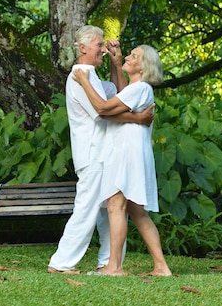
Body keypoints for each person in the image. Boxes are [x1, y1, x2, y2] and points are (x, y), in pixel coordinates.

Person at [47, 25, 153, 274]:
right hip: (92, 153)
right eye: (99, 45)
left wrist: (117, 64)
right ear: (83, 48)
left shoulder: (91, 75)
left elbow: (120, 93)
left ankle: (109, 263)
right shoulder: (80, 74)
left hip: (104, 153)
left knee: (111, 209)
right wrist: (137, 119)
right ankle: (62, 262)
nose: (103, 49)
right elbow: (102, 111)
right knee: (88, 207)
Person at [72, 44, 172, 277]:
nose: (128, 56)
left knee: (116, 205)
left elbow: (104, 108)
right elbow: (119, 95)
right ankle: (161, 267)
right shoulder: (137, 89)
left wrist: (84, 80)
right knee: (137, 211)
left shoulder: (140, 88)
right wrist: (117, 65)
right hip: (133, 151)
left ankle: (114, 267)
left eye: (133, 56)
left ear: (143, 67)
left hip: (127, 153)